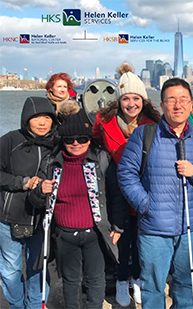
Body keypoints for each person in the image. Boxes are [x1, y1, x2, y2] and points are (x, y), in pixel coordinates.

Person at [118, 78, 193, 308]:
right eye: (171, 100)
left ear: (191, 105)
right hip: (154, 229)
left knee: (188, 284)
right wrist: (146, 205)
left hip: (189, 229)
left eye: (183, 100)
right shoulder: (144, 135)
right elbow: (126, 174)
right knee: (152, 287)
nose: (177, 105)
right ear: (162, 105)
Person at [31, 110, 119, 309]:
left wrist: (118, 227)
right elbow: (36, 201)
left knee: (96, 280)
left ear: (90, 139)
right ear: (63, 140)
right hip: (64, 235)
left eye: (82, 138)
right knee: (71, 281)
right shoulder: (51, 163)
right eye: (70, 139)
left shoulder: (101, 160)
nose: (76, 143)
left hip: (95, 233)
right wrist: (40, 191)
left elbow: (115, 195)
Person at [92, 62, 160, 306]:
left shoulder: (153, 124)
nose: (131, 104)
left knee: (144, 241)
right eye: (126, 98)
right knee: (122, 242)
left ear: (143, 100)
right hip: (117, 195)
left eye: (136, 98)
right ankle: (122, 281)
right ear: (119, 101)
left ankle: (139, 280)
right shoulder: (103, 124)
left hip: (145, 192)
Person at [0, 96, 57, 308]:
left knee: (38, 267)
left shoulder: (58, 144)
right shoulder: (10, 140)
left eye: (46, 117)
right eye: (36, 117)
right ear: (26, 119)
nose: (42, 122)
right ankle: (17, 304)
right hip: (8, 217)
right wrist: (22, 182)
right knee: (10, 269)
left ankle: (35, 305)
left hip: (43, 219)